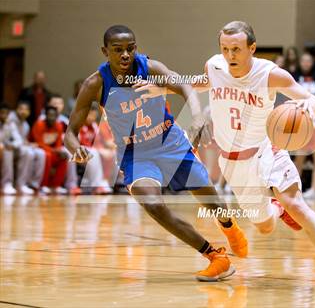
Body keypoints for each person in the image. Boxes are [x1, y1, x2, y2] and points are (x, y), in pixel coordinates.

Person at [136, 21, 315, 291]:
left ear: (252, 48)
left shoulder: (270, 74)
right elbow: (201, 82)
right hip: (233, 162)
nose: (230, 55)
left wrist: (308, 105)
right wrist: (162, 89)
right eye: (225, 48)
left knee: (296, 204)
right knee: (264, 226)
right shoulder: (215, 65)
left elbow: (311, 99)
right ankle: (276, 209)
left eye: (236, 49)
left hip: (267, 149)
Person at [64, 25, 248, 282]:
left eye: (130, 48)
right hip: (135, 154)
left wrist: (196, 116)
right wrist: (77, 149)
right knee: (153, 204)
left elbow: (185, 86)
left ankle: (228, 226)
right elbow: (69, 133)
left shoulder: (149, 68)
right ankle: (215, 257)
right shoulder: (95, 84)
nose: (126, 55)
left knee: (210, 198)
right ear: (105, 52)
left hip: (169, 142)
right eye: (118, 50)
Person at [8, 100, 46, 193]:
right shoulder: (9, 119)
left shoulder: (26, 125)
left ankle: (34, 184)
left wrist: (29, 144)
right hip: (9, 147)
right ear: (16, 109)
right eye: (21, 109)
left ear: (29, 112)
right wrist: (27, 144)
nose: (23, 111)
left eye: (26, 110)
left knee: (41, 153)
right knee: (28, 152)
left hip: (19, 147)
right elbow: (15, 139)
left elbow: (23, 140)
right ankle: (20, 184)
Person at [31, 106, 68, 194]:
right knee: (47, 156)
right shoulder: (39, 124)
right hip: (37, 148)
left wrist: (59, 151)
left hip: (51, 150)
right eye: (49, 115)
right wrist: (55, 151)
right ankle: (43, 185)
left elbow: (58, 143)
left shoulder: (59, 126)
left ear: (57, 116)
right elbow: (39, 143)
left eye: (54, 116)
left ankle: (56, 186)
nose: (51, 118)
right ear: (45, 115)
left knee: (64, 156)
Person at [0, 103, 31, 195]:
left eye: (6, 113)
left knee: (23, 151)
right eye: (1, 113)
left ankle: (20, 184)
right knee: (6, 150)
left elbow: (18, 140)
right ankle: (6, 183)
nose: (3, 115)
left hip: (3, 148)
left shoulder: (10, 124)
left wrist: (12, 145)